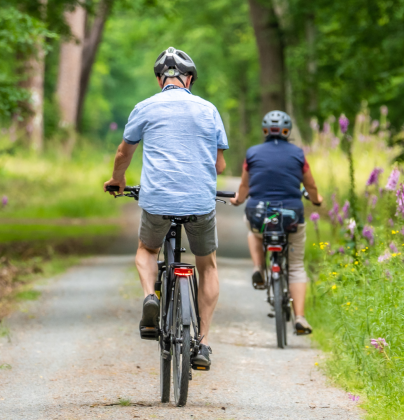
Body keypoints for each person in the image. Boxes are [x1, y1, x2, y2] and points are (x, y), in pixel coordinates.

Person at [103, 47, 228, 366]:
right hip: (200, 201)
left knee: (147, 250)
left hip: (157, 199)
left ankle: (150, 296)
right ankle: (202, 344)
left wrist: (118, 180)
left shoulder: (145, 107)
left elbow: (123, 153)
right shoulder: (208, 109)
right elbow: (221, 164)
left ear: (160, 79)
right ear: (189, 79)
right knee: (208, 264)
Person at [230, 110, 322, 334]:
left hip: (259, 214)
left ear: (264, 131)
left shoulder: (252, 153)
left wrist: (238, 199)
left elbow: (244, 187)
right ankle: (300, 317)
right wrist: (317, 200)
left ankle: (259, 267)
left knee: (253, 231)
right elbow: (310, 186)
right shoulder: (298, 154)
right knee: (297, 266)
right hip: (291, 216)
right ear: (287, 131)